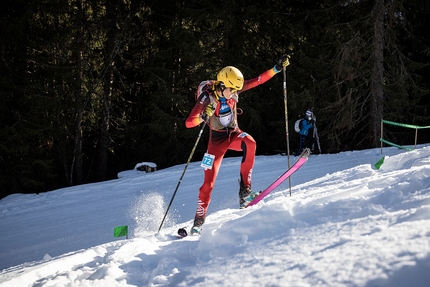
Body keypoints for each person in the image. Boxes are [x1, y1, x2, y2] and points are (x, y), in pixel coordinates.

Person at [185, 55, 290, 235]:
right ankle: (198, 222)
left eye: (236, 90)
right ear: (222, 85)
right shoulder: (206, 97)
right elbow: (189, 122)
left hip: (233, 134)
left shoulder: (233, 89)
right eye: (232, 90)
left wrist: (276, 68)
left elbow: (257, 80)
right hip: (216, 141)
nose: (235, 93)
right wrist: (202, 116)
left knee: (250, 142)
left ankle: (245, 194)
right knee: (208, 184)